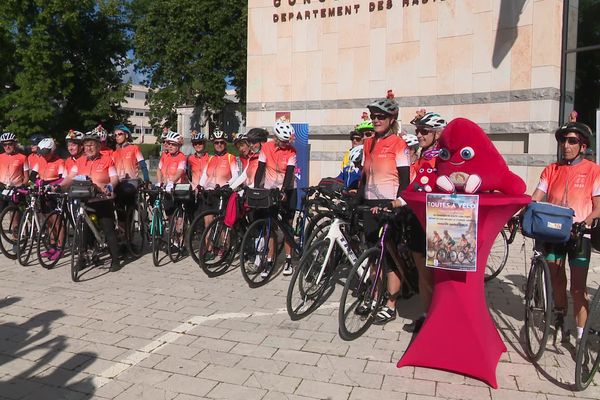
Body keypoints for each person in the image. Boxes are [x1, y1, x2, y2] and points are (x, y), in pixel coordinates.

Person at [530, 121, 600, 345]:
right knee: (557, 282)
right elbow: (536, 197)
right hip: (553, 234)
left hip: (580, 235)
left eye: (572, 141)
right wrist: (524, 211)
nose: (566, 145)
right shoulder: (552, 170)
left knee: (578, 288)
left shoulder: (593, 170)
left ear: (583, 146)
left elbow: (599, 206)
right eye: (563, 140)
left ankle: (580, 336)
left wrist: (586, 222)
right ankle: (560, 320)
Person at [358, 91, 411, 324]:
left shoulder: (399, 144)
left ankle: (390, 304)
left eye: (381, 116)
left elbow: (406, 181)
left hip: (390, 205)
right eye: (373, 116)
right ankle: (373, 295)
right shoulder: (368, 143)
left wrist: (397, 204)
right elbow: (364, 177)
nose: (376, 119)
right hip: (370, 204)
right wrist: (356, 202)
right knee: (371, 255)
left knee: (389, 256)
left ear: (392, 119)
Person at [404, 111, 447, 333]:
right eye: (417, 131)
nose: (419, 134)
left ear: (438, 133)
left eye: (424, 131)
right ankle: (426, 313)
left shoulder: (443, 156)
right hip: (417, 216)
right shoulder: (422, 154)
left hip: (436, 220)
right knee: (422, 269)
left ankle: (438, 315)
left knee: (434, 271)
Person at [61, 130, 121, 270]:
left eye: (92, 145)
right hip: (86, 199)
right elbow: (70, 178)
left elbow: (114, 178)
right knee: (83, 230)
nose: (89, 148)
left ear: (98, 146)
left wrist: (110, 187)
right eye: (86, 145)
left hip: (102, 199)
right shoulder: (81, 161)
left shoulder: (106, 160)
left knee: (108, 228)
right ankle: (82, 259)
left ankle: (115, 260)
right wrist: (59, 186)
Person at [254, 121, 297, 277]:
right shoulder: (266, 148)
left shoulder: (292, 151)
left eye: (287, 141)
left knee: (287, 226)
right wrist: (256, 187)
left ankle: (288, 259)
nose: (286, 144)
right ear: (276, 138)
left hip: (288, 190)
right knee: (270, 227)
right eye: (283, 141)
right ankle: (270, 260)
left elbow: (290, 172)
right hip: (270, 189)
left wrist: (284, 191)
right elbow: (260, 168)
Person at [30, 138, 66, 261]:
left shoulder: (59, 161)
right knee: (48, 221)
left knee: (57, 222)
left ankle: (60, 248)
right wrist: (37, 182)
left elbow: (62, 178)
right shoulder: (40, 159)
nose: (45, 156)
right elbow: (32, 175)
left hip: (53, 193)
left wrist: (51, 184)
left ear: (53, 151)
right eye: (43, 154)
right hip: (42, 192)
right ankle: (52, 246)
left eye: (47, 153)